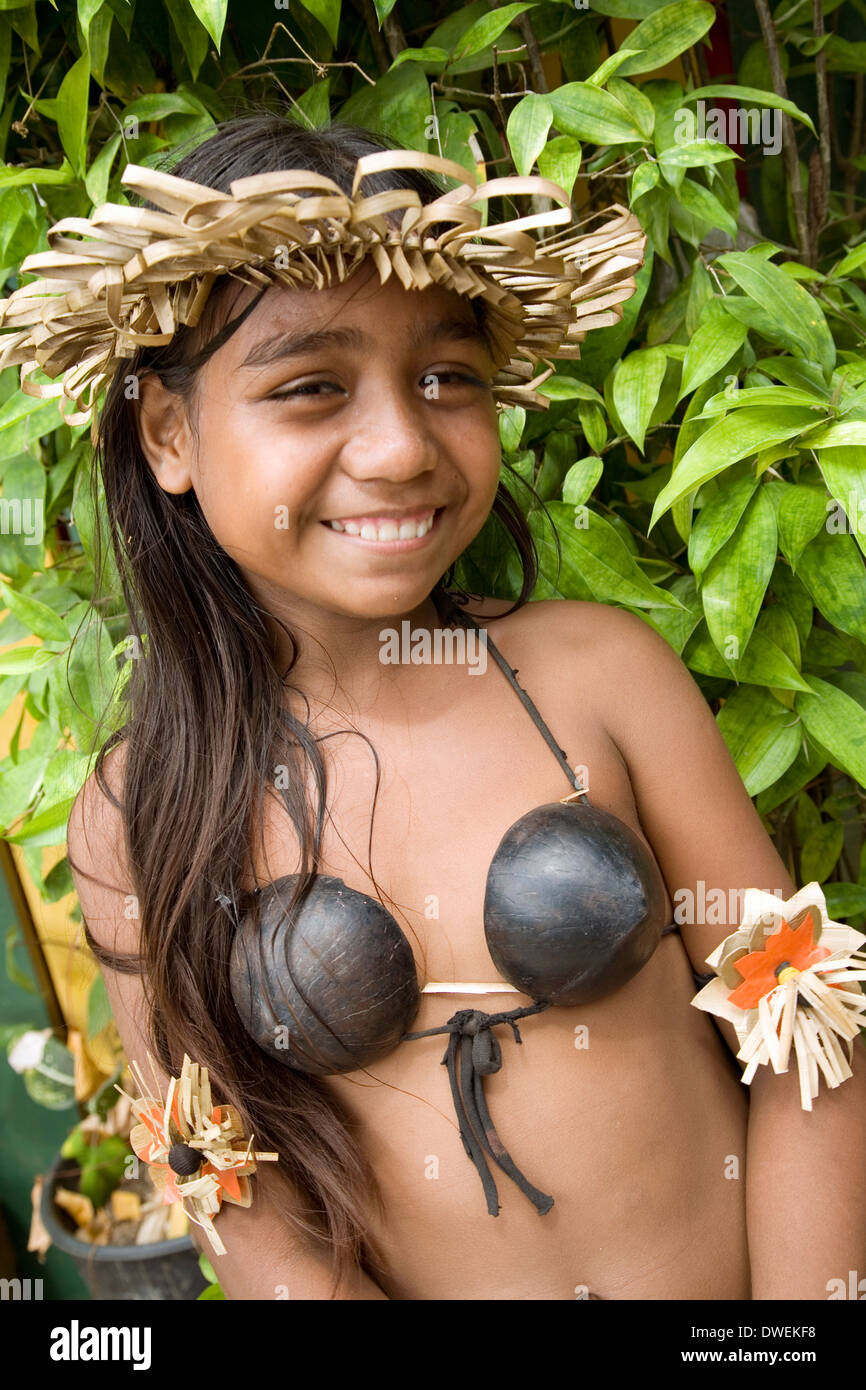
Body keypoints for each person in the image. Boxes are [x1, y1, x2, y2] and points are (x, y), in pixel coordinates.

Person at [28, 110, 862, 1301]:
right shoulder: (140, 816)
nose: (400, 444)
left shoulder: (600, 676)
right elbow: (228, 1192)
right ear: (169, 431)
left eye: (443, 378)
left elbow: (808, 1038)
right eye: (311, 386)